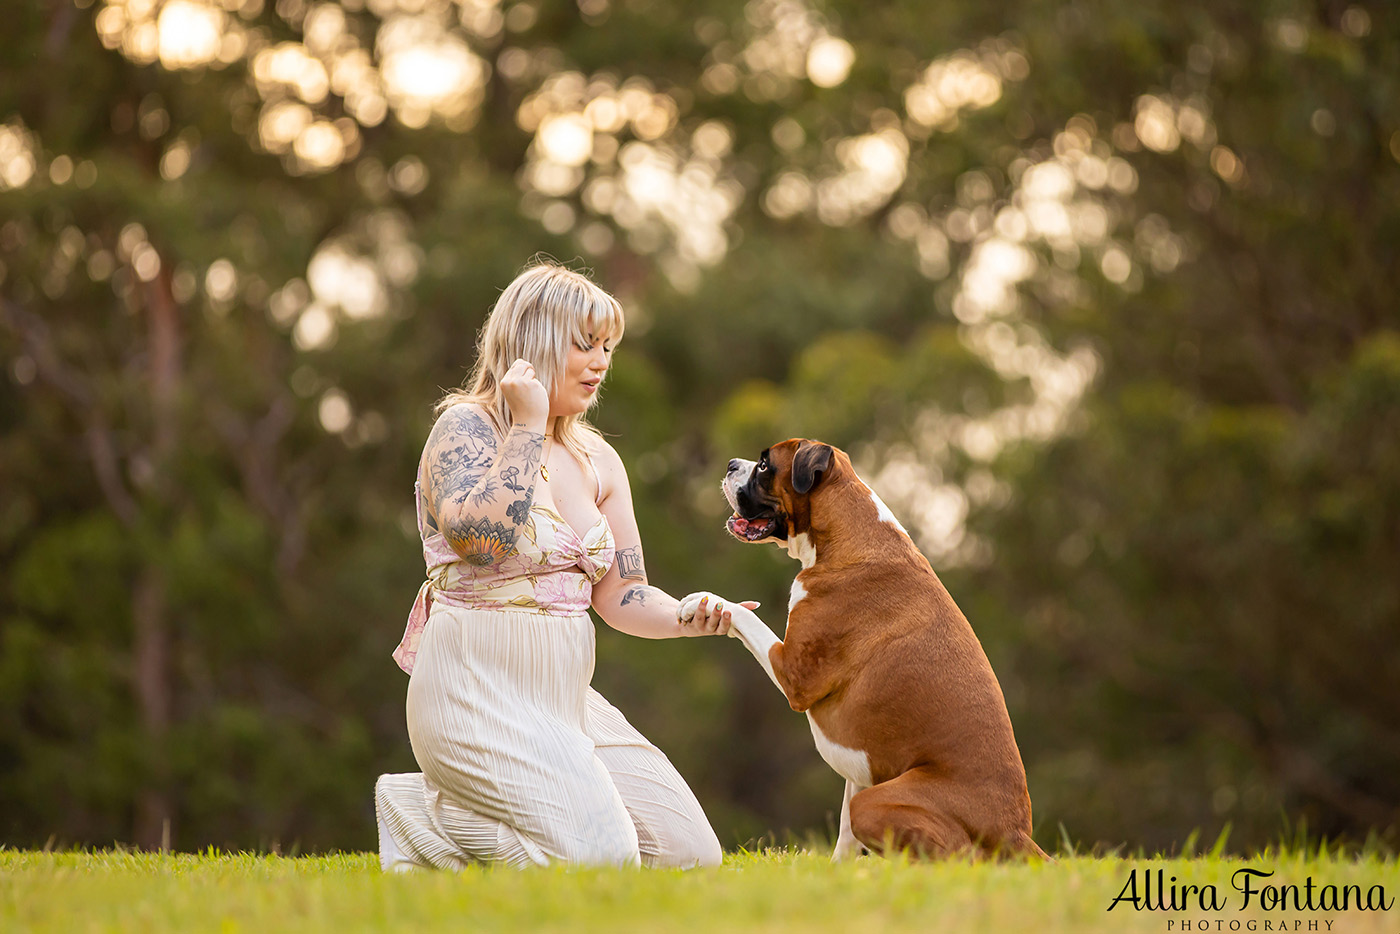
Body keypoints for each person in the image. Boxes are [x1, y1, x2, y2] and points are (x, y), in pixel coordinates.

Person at [374, 261, 735, 871]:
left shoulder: (599, 458)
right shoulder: (466, 427)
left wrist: (685, 614)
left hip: (563, 697)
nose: (601, 362)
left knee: (690, 856)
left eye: (607, 348)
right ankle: (417, 813)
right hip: (473, 687)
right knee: (603, 858)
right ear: (533, 340)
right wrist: (530, 425)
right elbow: (482, 541)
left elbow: (623, 592)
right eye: (584, 344)